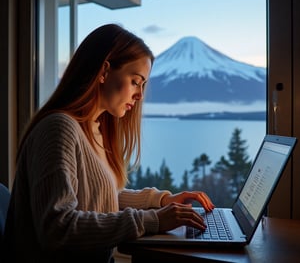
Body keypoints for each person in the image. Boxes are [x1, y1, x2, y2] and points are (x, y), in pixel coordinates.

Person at [3, 23, 214, 262]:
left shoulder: (93, 129)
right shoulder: (59, 129)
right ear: (103, 72)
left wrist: (162, 201)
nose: (140, 95)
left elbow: (100, 198)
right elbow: (57, 228)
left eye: (143, 85)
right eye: (135, 81)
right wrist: (153, 220)